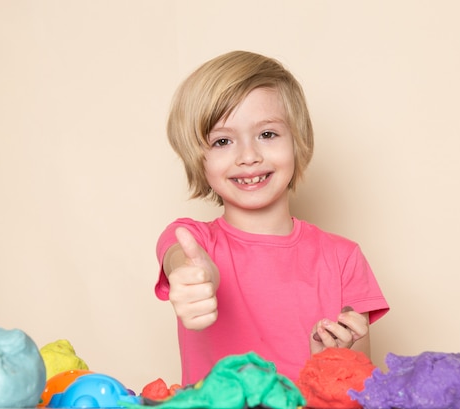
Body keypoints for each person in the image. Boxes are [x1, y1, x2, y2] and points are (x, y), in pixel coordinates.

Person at [155, 50, 389, 385]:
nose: (248, 156)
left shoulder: (344, 259)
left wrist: (330, 361)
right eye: (222, 141)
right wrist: (193, 276)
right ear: (198, 160)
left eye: (267, 134)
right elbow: (179, 257)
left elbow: (357, 384)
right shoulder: (191, 241)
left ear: (297, 141)